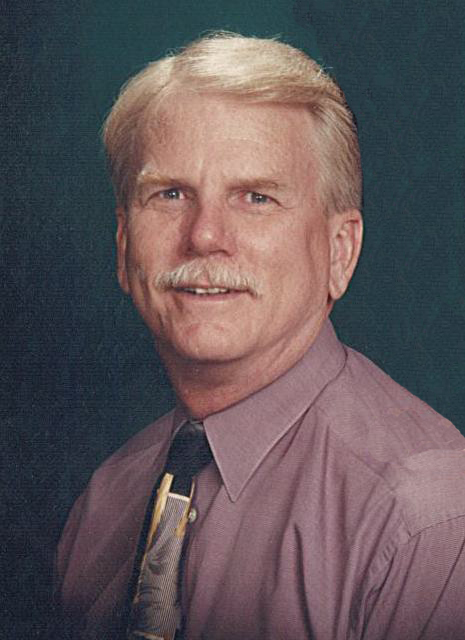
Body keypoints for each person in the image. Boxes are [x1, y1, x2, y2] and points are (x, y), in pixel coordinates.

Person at [54, 32, 465, 640]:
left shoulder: (429, 519)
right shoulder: (106, 502)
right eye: (170, 194)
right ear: (123, 245)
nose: (204, 236)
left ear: (339, 251)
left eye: (256, 198)